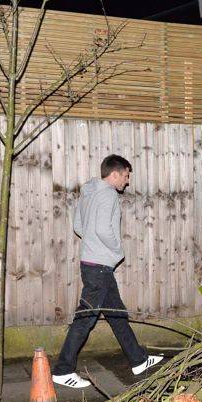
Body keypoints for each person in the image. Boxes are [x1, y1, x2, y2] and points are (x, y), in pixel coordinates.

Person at [52, 154, 163, 388]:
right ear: (114, 174)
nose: (127, 180)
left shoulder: (89, 193)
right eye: (125, 175)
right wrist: (117, 250)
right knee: (86, 318)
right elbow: (103, 229)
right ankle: (63, 370)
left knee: (116, 314)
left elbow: (79, 226)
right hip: (100, 265)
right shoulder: (108, 194)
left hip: (93, 263)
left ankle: (139, 359)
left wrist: (95, 246)